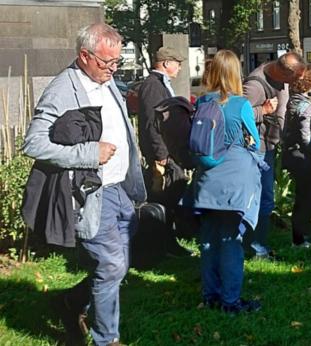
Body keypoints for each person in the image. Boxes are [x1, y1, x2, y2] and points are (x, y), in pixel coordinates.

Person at [23, 23, 146, 345]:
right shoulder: (64, 89)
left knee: (118, 265)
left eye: (117, 62)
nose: (113, 69)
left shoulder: (105, 81)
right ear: (84, 55)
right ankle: (107, 339)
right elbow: (33, 144)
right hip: (91, 194)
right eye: (108, 62)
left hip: (119, 188)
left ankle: (70, 303)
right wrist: (90, 152)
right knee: (111, 263)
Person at [181, 50, 262, 314]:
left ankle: (210, 295)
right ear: (236, 73)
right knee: (230, 241)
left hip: (207, 179)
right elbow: (255, 141)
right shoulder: (241, 105)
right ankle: (230, 301)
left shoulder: (203, 102)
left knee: (208, 240)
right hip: (234, 181)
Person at [243, 52, 307, 258]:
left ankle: (257, 243)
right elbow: (238, 115)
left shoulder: (281, 79)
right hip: (257, 151)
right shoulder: (254, 85)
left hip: (269, 147)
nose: (295, 83)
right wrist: (262, 110)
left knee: (265, 199)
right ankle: (253, 246)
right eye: (294, 79)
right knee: (260, 199)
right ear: (283, 73)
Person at [136, 46, 191, 257]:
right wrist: (161, 155)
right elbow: (152, 123)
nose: (179, 68)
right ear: (166, 63)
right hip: (164, 153)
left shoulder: (158, 84)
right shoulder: (152, 86)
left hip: (168, 151)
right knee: (165, 197)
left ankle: (167, 241)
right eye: (177, 63)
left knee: (171, 195)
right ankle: (164, 243)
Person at [282, 66, 311, 247]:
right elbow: (306, 136)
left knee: (300, 195)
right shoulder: (306, 106)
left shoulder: (292, 102)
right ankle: (300, 238)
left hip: (291, 151)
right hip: (303, 155)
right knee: (305, 196)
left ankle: (298, 237)